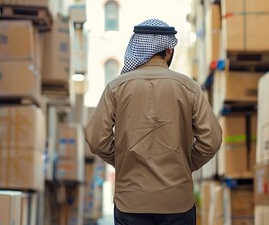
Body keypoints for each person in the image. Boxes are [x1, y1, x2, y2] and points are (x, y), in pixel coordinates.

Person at [85, 18, 222, 225]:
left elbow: (97, 139)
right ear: (169, 51)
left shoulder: (116, 88)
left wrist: (123, 160)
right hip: (177, 201)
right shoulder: (189, 88)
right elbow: (211, 139)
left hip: (130, 200)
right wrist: (186, 163)